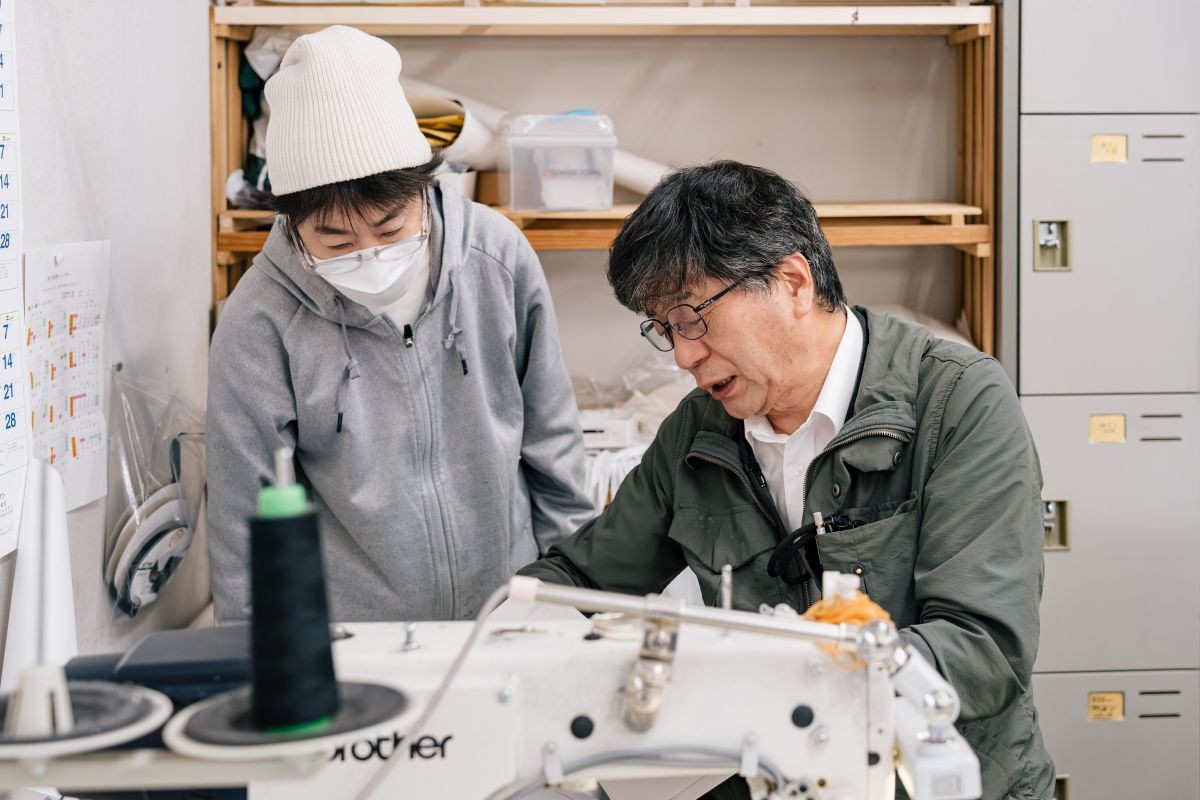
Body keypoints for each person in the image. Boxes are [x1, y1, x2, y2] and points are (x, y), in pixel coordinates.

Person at [519, 160, 1054, 799]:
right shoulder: (698, 431)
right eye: (666, 330)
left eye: (693, 317)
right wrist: (508, 635)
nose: (684, 355)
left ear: (792, 283)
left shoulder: (957, 400)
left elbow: (983, 647)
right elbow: (577, 580)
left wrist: (791, 677)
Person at [207, 25, 593, 623]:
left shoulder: (497, 258)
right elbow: (245, 526)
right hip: (356, 640)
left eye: (390, 230)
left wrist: (577, 602)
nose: (370, 254)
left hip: (509, 615)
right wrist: (257, 667)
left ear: (425, 185)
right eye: (335, 240)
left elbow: (554, 447)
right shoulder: (259, 321)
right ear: (289, 221)